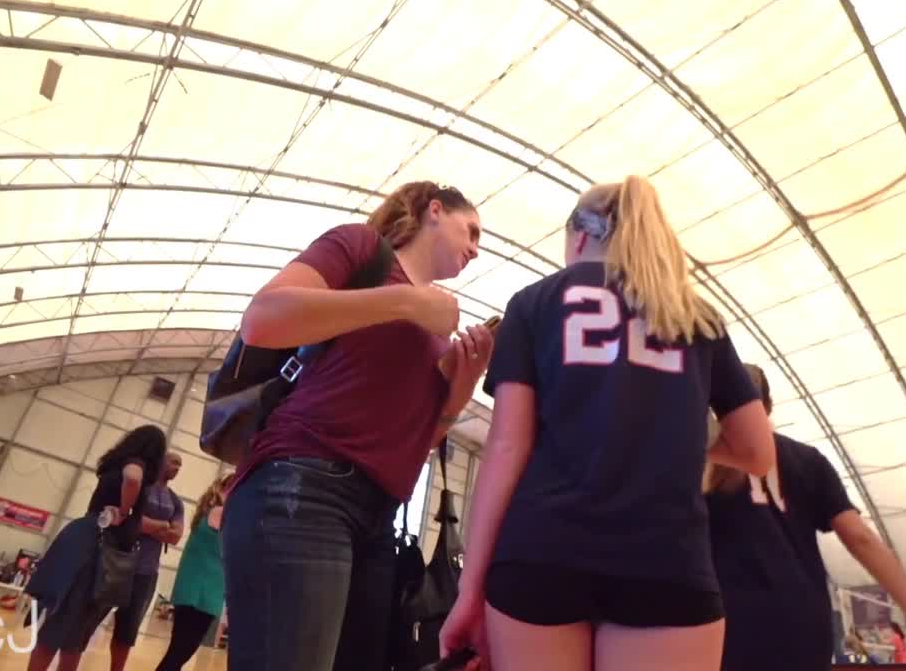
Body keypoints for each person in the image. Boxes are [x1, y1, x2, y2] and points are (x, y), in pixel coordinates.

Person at [438, 175, 775, 671]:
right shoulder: (695, 316)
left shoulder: (533, 303)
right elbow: (757, 452)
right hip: (665, 561)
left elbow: (507, 447)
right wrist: (663, 432)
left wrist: (470, 589)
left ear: (578, 238)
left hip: (541, 553)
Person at [222, 180, 491, 671]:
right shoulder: (362, 248)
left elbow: (417, 443)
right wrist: (406, 302)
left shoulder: (437, 332)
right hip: (303, 489)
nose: (475, 248)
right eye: (470, 230)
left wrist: (460, 386)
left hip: (378, 518)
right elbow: (261, 319)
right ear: (434, 210)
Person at [703, 363, 906, 671]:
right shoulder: (807, 461)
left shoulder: (698, 466)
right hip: (805, 630)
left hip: (730, 631)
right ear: (767, 407)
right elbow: (860, 538)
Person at [27, 424, 168, 671]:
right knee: (65, 625)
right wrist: (125, 510)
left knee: (75, 632)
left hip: (90, 542)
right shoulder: (135, 463)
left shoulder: (115, 463)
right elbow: (133, 478)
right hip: (96, 548)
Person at [95, 451, 183, 671]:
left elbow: (175, 536)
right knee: (91, 618)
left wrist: (144, 525)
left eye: (180, 465)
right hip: (117, 563)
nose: (177, 468)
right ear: (161, 461)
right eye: (174, 462)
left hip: (147, 573)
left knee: (127, 630)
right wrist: (162, 525)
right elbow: (129, 519)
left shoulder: (175, 501)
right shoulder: (142, 488)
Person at [156, 474, 231, 671]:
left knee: (178, 652)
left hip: (197, 591)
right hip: (201, 594)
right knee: (179, 653)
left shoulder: (209, 512)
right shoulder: (222, 512)